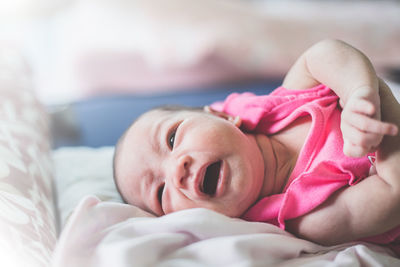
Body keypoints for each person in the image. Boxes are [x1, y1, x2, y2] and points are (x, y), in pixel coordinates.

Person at [112, 39, 400, 254]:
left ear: (222, 115)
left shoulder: (287, 104)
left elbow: (324, 54)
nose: (177, 170)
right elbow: (392, 194)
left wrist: (358, 93)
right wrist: (382, 102)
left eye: (172, 139)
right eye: (161, 193)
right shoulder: (308, 217)